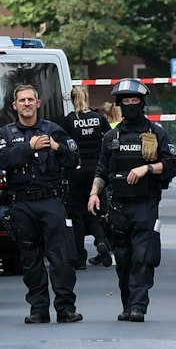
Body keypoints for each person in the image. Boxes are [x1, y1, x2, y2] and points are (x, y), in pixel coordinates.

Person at [88, 78, 176, 322]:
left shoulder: (156, 133)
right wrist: (94, 194)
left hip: (145, 205)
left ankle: (139, 306)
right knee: (124, 261)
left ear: (142, 103)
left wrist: (147, 169)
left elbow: (173, 164)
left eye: (134, 101)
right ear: (120, 104)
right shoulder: (111, 137)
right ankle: (127, 304)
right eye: (125, 101)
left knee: (143, 257)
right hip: (118, 207)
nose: (130, 105)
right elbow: (101, 169)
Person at [0, 82, 82, 324]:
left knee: (61, 258)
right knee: (30, 260)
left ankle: (66, 308)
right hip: (22, 204)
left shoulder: (53, 129)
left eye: (30, 100)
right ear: (15, 106)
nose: (26, 104)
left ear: (38, 103)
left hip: (51, 201)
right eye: (21, 100)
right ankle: (38, 309)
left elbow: (74, 159)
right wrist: (28, 147)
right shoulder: (7, 133)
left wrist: (56, 147)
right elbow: (3, 159)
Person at [66, 86, 113, 269]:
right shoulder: (98, 117)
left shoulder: (69, 120)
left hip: (76, 170)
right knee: (96, 210)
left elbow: (63, 144)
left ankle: (79, 258)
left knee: (76, 214)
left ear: (71, 99)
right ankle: (101, 240)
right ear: (86, 97)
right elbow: (110, 136)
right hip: (96, 170)